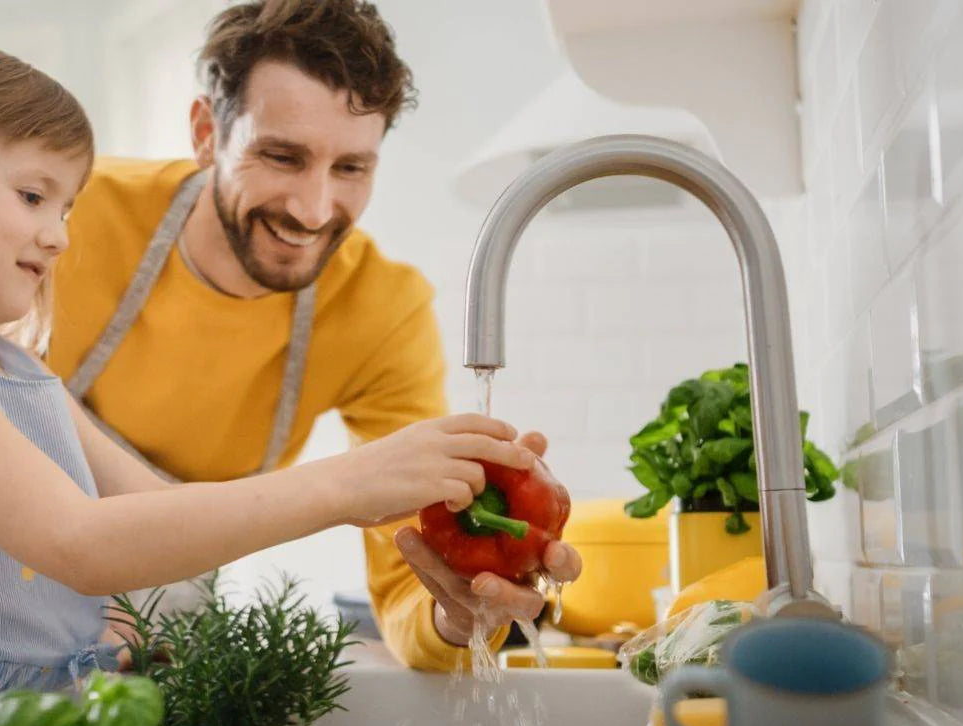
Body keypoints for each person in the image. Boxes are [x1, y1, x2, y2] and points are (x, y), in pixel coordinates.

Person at [0, 38, 535, 726]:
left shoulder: (18, 372)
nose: (59, 234)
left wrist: (449, 509)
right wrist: (344, 485)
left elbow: (162, 519)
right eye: (32, 196)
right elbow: (79, 540)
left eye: (66, 207)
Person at [47, 0, 581, 671]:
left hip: (154, 654)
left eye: (351, 168)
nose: (313, 208)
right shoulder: (75, 214)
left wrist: (457, 611)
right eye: (282, 156)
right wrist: (346, 485)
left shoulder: (381, 308)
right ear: (207, 131)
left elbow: (404, 586)